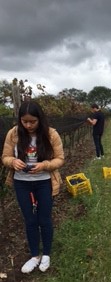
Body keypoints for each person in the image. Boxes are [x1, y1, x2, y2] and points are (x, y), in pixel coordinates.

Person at [1, 101, 64, 273]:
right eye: (24, 121)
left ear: (40, 119)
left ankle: (47, 254)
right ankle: (35, 255)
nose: (28, 125)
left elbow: (60, 159)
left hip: (44, 182)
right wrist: (12, 162)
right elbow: (5, 156)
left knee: (44, 219)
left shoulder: (51, 134)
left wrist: (44, 165)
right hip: (22, 183)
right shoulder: (13, 134)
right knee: (30, 220)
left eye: (32, 121)